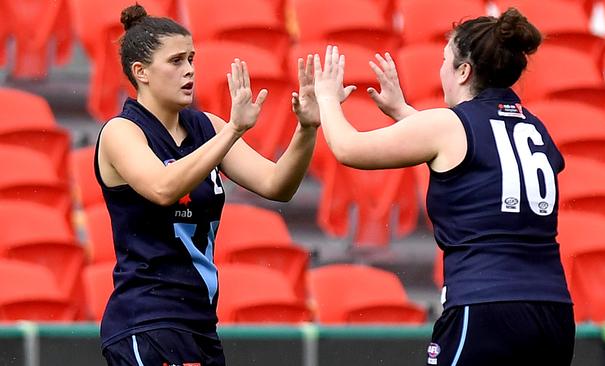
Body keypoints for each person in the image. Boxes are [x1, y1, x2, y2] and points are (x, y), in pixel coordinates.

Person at [312, 8, 575, 366]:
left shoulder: (448, 125)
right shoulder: (535, 126)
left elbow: (347, 148)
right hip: (553, 312)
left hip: (484, 308)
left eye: (445, 61)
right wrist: (405, 112)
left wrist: (326, 98)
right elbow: (476, 151)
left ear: (464, 71)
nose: (441, 71)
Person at [95, 4, 348, 365]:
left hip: (200, 324)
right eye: (176, 61)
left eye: (192, 59)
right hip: (147, 321)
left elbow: (278, 185)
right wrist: (233, 129)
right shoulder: (122, 132)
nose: (189, 71)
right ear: (141, 72)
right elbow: (163, 188)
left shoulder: (206, 127)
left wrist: (307, 128)